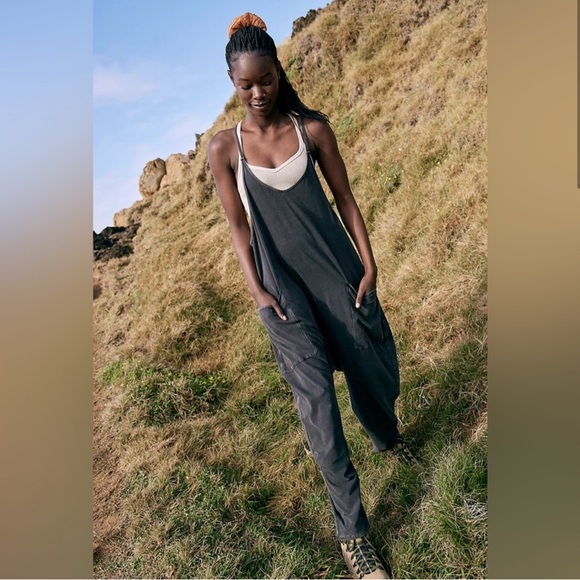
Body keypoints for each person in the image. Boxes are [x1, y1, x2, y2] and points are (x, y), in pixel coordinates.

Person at [208, 13, 416, 580]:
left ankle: (386, 436)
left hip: (337, 273)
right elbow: (238, 227)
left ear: (279, 71)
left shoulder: (313, 130)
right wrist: (256, 290)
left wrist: (369, 264)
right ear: (231, 82)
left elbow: (345, 200)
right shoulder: (225, 148)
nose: (258, 93)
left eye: (265, 80)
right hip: (282, 295)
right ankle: (355, 536)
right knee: (318, 408)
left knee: (373, 369)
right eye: (246, 84)